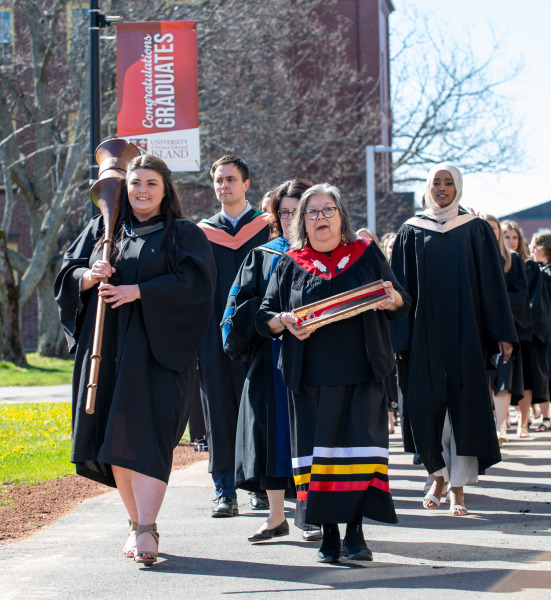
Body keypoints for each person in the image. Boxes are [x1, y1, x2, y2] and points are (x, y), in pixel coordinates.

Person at [54, 154, 216, 565]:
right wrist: (88, 276)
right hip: (105, 348)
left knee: (149, 434)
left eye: (151, 184)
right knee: (115, 435)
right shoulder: (104, 229)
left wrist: (140, 291)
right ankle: (138, 524)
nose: (141, 190)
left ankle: (147, 524)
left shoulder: (184, 234)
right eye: (135, 183)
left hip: (157, 351)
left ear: (166, 191)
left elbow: (196, 287)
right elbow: (67, 272)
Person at [256, 183, 410, 563]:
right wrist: (283, 320)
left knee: (359, 454)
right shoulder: (290, 263)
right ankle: (327, 533)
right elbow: (264, 316)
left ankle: (355, 533)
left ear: (342, 217)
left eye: (328, 210)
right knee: (319, 458)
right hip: (309, 378)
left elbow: (400, 300)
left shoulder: (365, 254)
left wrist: (394, 299)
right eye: (312, 212)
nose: (320, 217)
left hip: (362, 373)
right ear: (302, 222)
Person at [390, 162, 517, 517]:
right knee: (427, 406)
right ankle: (437, 477)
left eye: (449, 183)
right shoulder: (410, 231)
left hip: (467, 334)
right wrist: (398, 337)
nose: (442, 188)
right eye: (436, 182)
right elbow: (398, 288)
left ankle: (458, 488)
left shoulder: (475, 230)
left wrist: (502, 333)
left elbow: (492, 285)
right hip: (423, 335)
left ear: (458, 188)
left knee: (463, 407)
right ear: (427, 187)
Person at [222, 178, 323, 543]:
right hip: (271, 359)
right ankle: (276, 516)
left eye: (300, 210)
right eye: (285, 211)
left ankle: (310, 515)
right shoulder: (264, 255)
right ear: (276, 216)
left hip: (317, 360)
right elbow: (238, 307)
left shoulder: (328, 255)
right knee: (271, 436)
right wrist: (271, 318)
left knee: (312, 436)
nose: (292, 217)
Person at [197, 155, 270, 516]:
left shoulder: (268, 227)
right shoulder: (201, 232)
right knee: (220, 409)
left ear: (246, 184)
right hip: (214, 333)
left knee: (259, 407)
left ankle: (257, 484)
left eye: (230, 179)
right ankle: (224, 489)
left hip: (260, 334)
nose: (223, 185)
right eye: (218, 180)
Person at [482, 214, 530, 446]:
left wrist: (496, 308)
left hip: (503, 328)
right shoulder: (475, 259)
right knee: (483, 380)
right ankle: (488, 426)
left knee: (502, 377)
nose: (492, 232)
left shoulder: (512, 260)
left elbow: (519, 294)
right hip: (480, 330)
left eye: (494, 228)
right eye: (486, 228)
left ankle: (502, 426)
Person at [502, 221, 551, 438]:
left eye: (514, 237)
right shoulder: (491, 263)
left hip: (524, 329)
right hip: (502, 327)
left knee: (526, 378)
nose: (511, 241)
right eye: (507, 237)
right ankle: (501, 423)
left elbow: (534, 299)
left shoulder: (528, 265)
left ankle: (523, 422)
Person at [529, 230, 551, 432]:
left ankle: (545, 416)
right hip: (541, 331)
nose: (532, 250)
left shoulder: (545, 273)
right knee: (542, 373)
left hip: (546, 330)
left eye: (536, 246)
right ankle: (544, 416)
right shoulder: (536, 270)